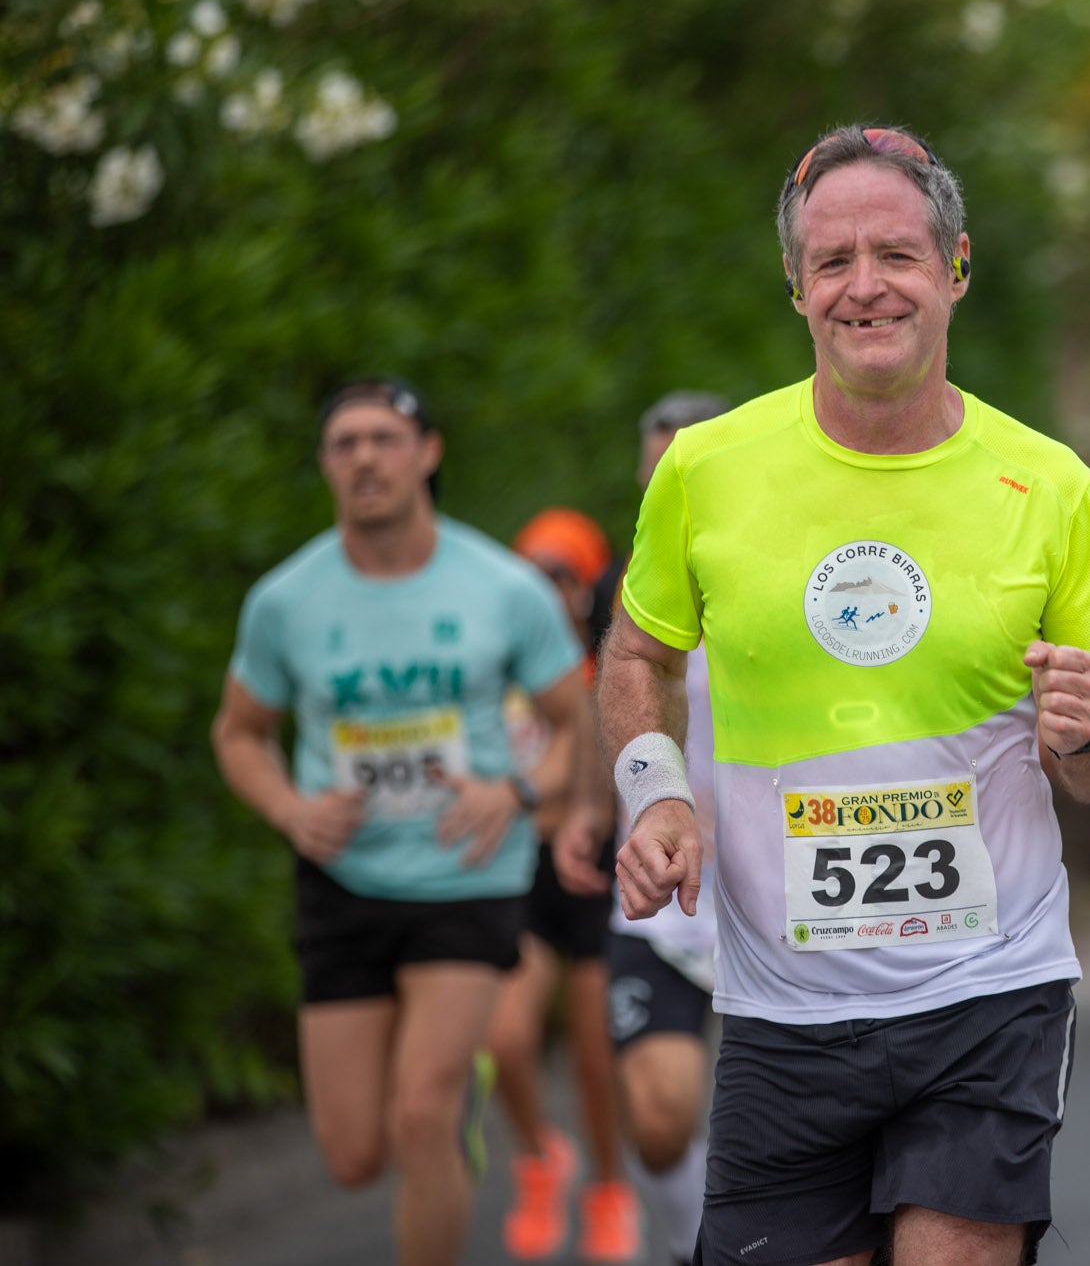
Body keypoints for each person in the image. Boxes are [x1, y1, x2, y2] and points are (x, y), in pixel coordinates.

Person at [599, 125, 1090, 1266]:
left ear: (954, 269)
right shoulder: (705, 469)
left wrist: (1087, 725)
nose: (865, 287)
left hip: (988, 988)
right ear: (795, 287)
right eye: (833, 260)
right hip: (782, 1011)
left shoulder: (1049, 487)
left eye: (896, 255)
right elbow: (636, 655)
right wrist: (654, 795)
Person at [210, 380, 588, 1266]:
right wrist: (290, 808)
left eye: (384, 438)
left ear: (428, 453)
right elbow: (239, 733)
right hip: (343, 879)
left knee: (420, 1112)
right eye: (344, 444)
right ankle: (445, 1142)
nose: (365, 457)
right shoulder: (285, 600)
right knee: (351, 1155)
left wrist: (521, 793)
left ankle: (441, 1126)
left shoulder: (503, 585)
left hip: (468, 871)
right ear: (325, 465)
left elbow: (580, 723)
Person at [549, 391, 732, 1266]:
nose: (671, 476)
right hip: (666, 889)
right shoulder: (623, 589)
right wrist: (590, 807)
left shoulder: (792, 568)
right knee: (659, 1119)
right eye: (656, 461)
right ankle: (697, 1245)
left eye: (689, 459)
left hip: (796, 885)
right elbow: (607, 703)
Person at [490, 507, 640, 1263]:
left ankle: (610, 1188)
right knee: (505, 1038)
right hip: (521, 871)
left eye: (561, 574)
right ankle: (542, 1156)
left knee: (593, 1054)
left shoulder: (610, 667)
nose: (545, 589)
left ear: (587, 585)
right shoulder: (496, 668)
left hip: (594, 875)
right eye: (532, 573)